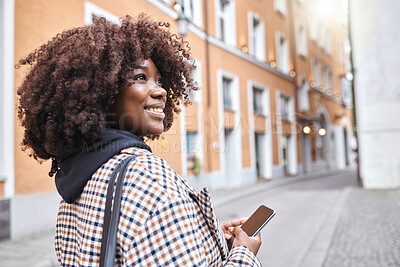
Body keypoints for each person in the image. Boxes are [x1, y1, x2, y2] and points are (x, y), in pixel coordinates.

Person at [17, 15, 262, 266]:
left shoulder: (79, 178)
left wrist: (200, 238)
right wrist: (244, 252)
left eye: (160, 80)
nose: (161, 91)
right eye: (140, 77)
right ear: (103, 90)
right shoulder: (148, 177)